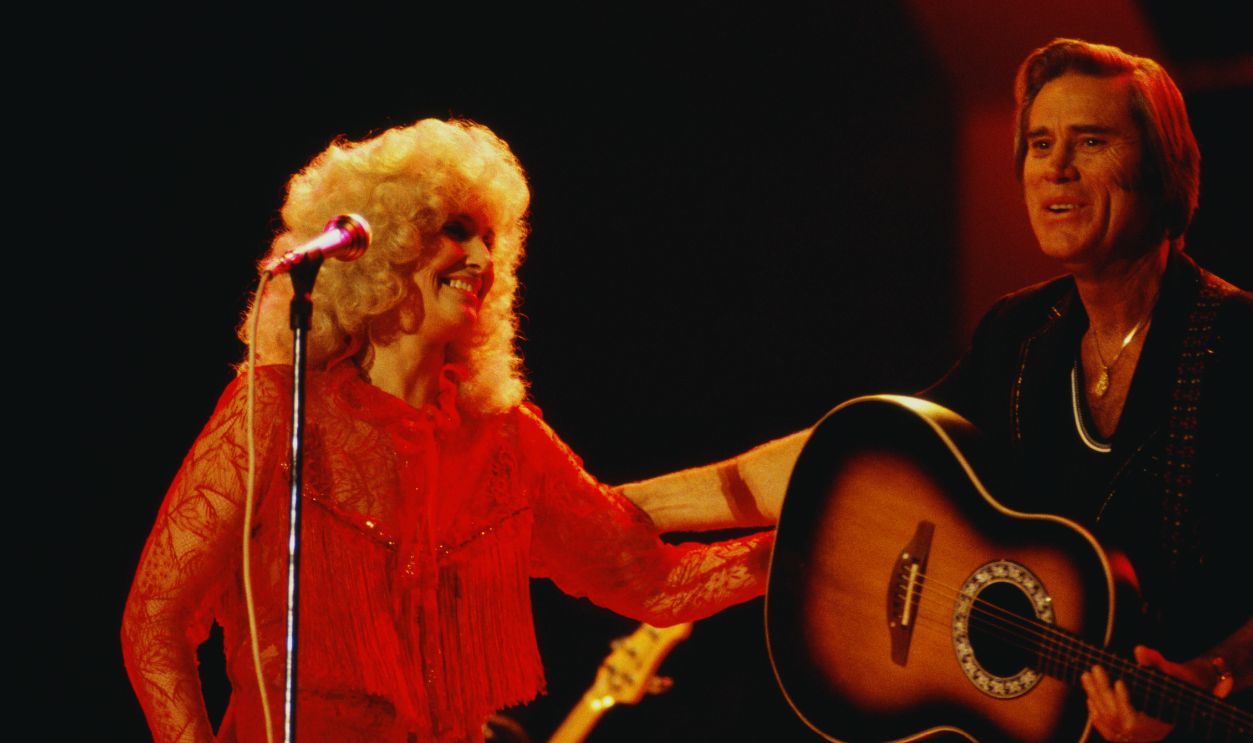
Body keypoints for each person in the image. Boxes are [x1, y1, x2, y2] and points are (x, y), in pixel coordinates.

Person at [622, 39, 1251, 741]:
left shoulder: (1236, 342)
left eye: (1090, 140)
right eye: (1039, 144)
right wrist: (620, 508)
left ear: (1162, 166)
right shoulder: (1021, 335)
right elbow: (848, 458)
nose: (1056, 169)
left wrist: (1212, 669)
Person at [121, 119, 773, 743]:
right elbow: (155, 620)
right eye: (459, 230)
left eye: (493, 239)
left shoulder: (505, 440)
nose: (483, 258)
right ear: (383, 244)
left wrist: (804, 546)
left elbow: (650, 580)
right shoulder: (276, 410)